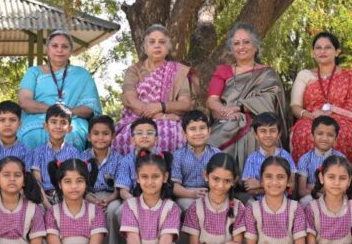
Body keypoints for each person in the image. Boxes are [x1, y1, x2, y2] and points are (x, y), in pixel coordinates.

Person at [206, 23, 289, 165]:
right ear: (232, 49)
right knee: (213, 137)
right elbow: (212, 100)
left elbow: (271, 98)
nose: (241, 47)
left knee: (257, 133)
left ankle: (259, 178)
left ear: (255, 46)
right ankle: (222, 178)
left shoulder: (267, 73)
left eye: (246, 42)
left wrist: (240, 107)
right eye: (236, 43)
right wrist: (226, 112)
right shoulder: (224, 71)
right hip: (228, 120)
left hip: (261, 120)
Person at [289, 31, 352, 163]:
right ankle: (308, 179)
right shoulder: (305, 75)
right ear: (313, 52)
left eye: (327, 47)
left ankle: (348, 179)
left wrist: (332, 111)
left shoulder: (349, 76)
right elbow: (295, 106)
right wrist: (311, 116)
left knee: (342, 132)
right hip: (311, 118)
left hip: (345, 120)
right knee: (305, 132)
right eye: (318, 48)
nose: (322, 51)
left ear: (337, 51)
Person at [113, 24, 197, 154]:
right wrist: (159, 116)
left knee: (173, 135)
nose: (157, 45)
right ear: (145, 48)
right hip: (137, 120)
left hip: (171, 122)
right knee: (126, 138)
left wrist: (161, 106)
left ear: (168, 48)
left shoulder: (178, 71)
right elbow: (129, 99)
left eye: (162, 42)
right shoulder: (134, 70)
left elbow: (185, 104)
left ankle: (171, 173)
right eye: (152, 42)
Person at [17, 30, 101, 150]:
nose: (59, 50)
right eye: (55, 46)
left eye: (65, 46)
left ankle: (71, 168)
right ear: (48, 49)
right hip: (37, 119)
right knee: (32, 135)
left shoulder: (82, 75)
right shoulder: (34, 72)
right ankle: (32, 169)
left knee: (71, 134)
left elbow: (90, 109)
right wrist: (54, 111)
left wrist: (68, 112)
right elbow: (24, 102)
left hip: (72, 120)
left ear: (71, 50)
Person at [32, 104, 88, 208]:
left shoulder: (73, 153)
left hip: (67, 197)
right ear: (46, 126)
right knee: (35, 210)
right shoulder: (38, 152)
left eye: (63, 123)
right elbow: (37, 182)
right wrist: (47, 205)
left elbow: (77, 180)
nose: (58, 126)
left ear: (69, 128)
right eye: (53, 122)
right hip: (43, 197)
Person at [85, 115, 122, 244]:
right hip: (89, 196)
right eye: (96, 133)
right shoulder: (82, 158)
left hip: (112, 196)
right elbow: (80, 187)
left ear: (113, 136)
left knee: (113, 209)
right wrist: (93, 200)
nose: (100, 138)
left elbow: (120, 186)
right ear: (89, 136)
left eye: (105, 134)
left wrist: (108, 200)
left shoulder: (120, 159)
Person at [171, 110, 221, 211]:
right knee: (192, 208)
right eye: (192, 129)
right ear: (184, 134)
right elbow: (174, 186)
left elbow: (221, 180)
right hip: (186, 194)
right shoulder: (178, 155)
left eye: (202, 128)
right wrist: (192, 194)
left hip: (211, 193)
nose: (198, 133)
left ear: (209, 131)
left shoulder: (216, 154)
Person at [241, 113, 296, 200]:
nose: (268, 135)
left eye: (272, 131)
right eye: (263, 131)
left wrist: (260, 184)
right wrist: (280, 187)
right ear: (255, 135)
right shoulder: (252, 159)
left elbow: (291, 185)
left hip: (282, 202)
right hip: (258, 202)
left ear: (279, 134)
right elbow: (250, 189)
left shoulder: (285, 155)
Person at [296, 115, 346, 200]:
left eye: (330, 135)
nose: (324, 138)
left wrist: (312, 187)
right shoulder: (305, 159)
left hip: (335, 198)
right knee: (306, 200)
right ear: (312, 136)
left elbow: (344, 188)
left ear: (336, 138)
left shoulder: (341, 158)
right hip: (313, 198)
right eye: (320, 134)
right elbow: (302, 190)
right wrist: (321, 196)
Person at [0, 101, 32, 176]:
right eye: (2, 120)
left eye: (12, 120)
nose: (7, 124)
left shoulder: (26, 151)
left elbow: (26, 178)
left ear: (19, 125)